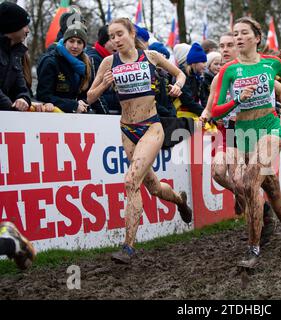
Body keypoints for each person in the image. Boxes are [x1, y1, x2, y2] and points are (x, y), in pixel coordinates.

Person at [87, 18, 192, 264]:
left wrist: (177, 86)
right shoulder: (107, 62)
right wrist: (104, 84)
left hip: (152, 127)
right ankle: (180, 201)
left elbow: (180, 75)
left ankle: (129, 247)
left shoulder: (151, 57)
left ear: (132, 33)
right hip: (127, 130)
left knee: (130, 181)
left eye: (119, 34)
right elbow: (90, 97)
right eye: (111, 37)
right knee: (152, 187)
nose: (115, 40)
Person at [211, 17, 281, 268]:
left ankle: (253, 249)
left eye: (244, 33)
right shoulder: (228, 70)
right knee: (272, 187)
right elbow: (216, 112)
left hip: (269, 129)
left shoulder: (271, 64)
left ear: (257, 38)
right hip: (242, 135)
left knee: (249, 182)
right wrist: (236, 100)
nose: (239, 37)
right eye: (235, 33)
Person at [37, 22, 92, 113]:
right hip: (51, 116)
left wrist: (82, 102)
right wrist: (73, 105)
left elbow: (83, 95)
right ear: (65, 42)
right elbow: (43, 95)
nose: (75, 46)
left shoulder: (84, 64)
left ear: (84, 46)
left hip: (73, 118)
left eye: (79, 42)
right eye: (71, 41)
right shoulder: (50, 62)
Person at [0, 1, 32, 111]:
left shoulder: (16, 54)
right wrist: (11, 108)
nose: (28, 30)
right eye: (25, 25)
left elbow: (22, 88)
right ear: (12, 26)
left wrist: (23, 99)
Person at [86, 25, 121, 114]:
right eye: (112, 38)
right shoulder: (94, 59)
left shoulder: (116, 58)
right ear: (104, 42)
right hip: (103, 117)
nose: (117, 42)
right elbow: (94, 95)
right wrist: (106, 115)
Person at [174, 43, 208, 118]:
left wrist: (207, 111)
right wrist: (203, 112)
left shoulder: (199, 77)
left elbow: (203, 98)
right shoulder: (183, 75)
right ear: (194, 63)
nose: (205, 65)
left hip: (194, 112)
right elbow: (186, 100)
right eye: (202, 62)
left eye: (205, 62)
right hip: (182, 115)